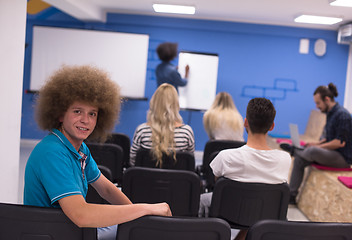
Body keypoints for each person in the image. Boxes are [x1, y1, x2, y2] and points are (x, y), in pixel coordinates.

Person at [23, 65, 172, 240]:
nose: (85, 120)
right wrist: (146, 209)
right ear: (60, 114)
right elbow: (81, 215)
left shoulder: (79, 148)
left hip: (68, 230)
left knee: (132, 230)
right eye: (77, 111)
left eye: (92, 114)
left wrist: (140, 219)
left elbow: (107, 190)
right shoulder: (52, 152)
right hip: (54, 234)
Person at [198, 97, 291, 240]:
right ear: (272, 126)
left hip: (229, 210)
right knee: (258, 207)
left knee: (203, 199)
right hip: (267, 213)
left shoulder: (226, 157)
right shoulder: (285, 159)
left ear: (245, 122)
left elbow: (216, 183)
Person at [288, 83, 352, 204]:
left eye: (318, 103)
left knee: (312, 152)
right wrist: (314, 144)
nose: (317, 106)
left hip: (343, 158)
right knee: (299, 160)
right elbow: (328, 139)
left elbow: (339, 143)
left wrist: (316, 148)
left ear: (327, 100)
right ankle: (291, 196)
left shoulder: (343, 115)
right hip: (330, 153)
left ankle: (297, 150)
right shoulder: (330, 114)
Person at [130, 83, 195, 166]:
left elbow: (133, 163)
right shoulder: (186, 132)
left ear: (154, 103)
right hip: (177, 179)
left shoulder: (142, 131)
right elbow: (189, 165)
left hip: (145, 178)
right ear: (176, 104)